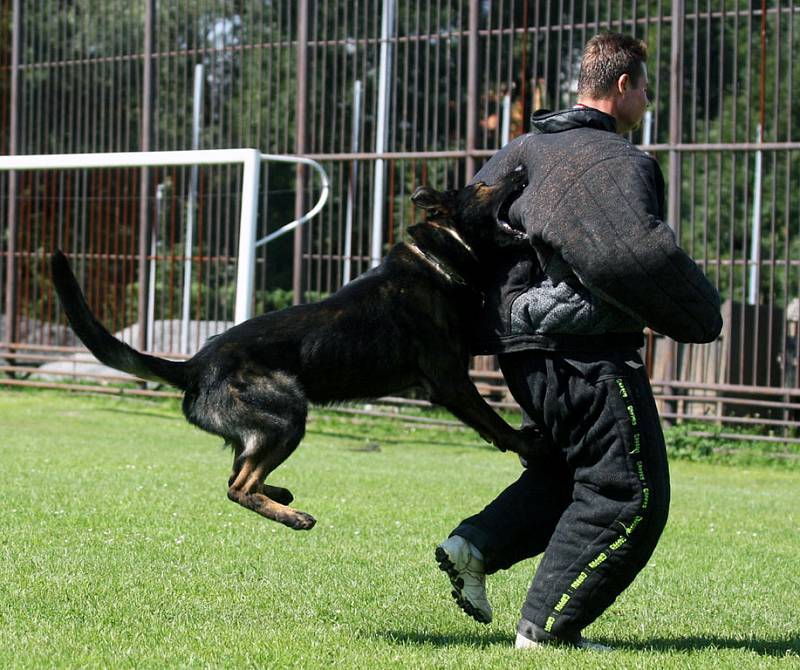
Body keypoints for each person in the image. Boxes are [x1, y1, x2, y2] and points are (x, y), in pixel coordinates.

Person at [435, 32, 722, 650]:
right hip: (584, 355)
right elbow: (633, 258)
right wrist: (701, 313)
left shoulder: (524, 149)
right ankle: (548, 630)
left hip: (526, 352)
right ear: (622, 87)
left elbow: (463, 230)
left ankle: (475, 546)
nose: (647, 99)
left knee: (573, 473)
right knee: (628, 494)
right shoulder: (615, 161)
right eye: (644, 88)